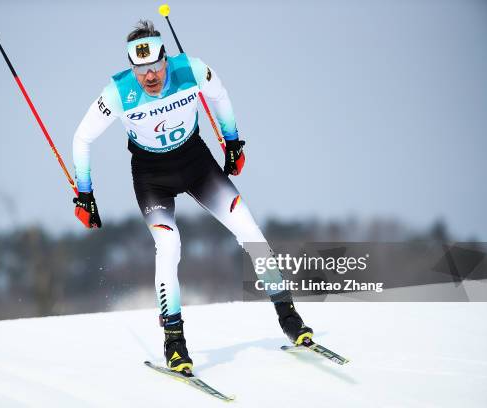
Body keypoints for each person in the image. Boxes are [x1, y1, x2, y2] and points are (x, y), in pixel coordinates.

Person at [72, 20, 312, 373]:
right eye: (141, 70)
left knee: (249, 231)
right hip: (152, 176)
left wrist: (232, 141)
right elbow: (82, 138)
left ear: (165, 59)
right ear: (131, 68)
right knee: (169, 246)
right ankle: (174, 342)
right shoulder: (117, 93)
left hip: (197, 164)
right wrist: (85, 193)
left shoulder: (192, 69)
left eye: (155, 67)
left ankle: (289, 317)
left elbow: (220, 95)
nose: (149, 77)